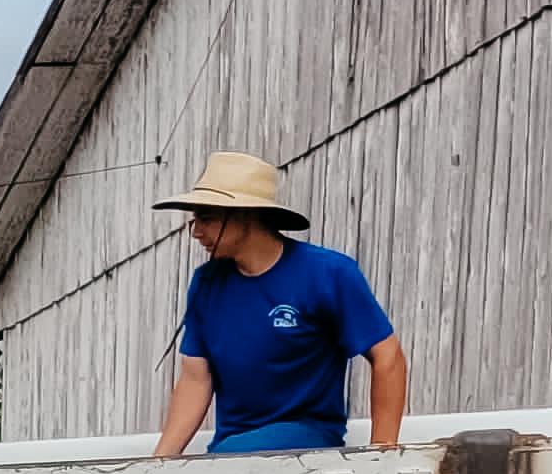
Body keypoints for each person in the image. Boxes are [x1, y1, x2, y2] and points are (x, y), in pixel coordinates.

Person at [147, 151, 407, 456]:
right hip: (230, 448)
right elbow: (195, 379)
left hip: (307, 440)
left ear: (246, 215)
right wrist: (157, 464)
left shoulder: (327, 274)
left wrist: (382, 453)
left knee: (231, 460)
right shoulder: (206, 283)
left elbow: (388, 356)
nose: (196, 232)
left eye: (206, 218)